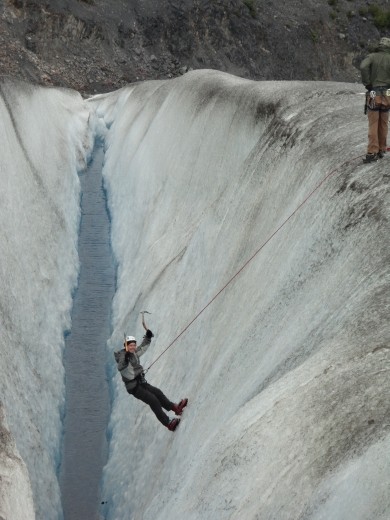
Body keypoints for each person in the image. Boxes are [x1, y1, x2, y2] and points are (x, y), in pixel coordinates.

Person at [114, 313, 187, 431]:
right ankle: (168, 423)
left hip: (141, 382)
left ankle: (175, 408)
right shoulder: (123, 356)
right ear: (126, 346)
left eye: (133, 345)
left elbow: (142, 348)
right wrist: (126, 358)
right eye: (130, 345)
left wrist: (147, 337)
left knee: (157, 393)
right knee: (153, 400)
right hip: (135, 388)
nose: (133, 347)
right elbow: (121, 367)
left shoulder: (132, 353)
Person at [360, 37, 390, 163]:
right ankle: (382, 149)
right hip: (388, 94)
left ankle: (372, 152)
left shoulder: (372, 56)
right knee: (384, 122)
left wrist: (368, 83)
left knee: (373, 123)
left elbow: (363, 66)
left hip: (374, 94)